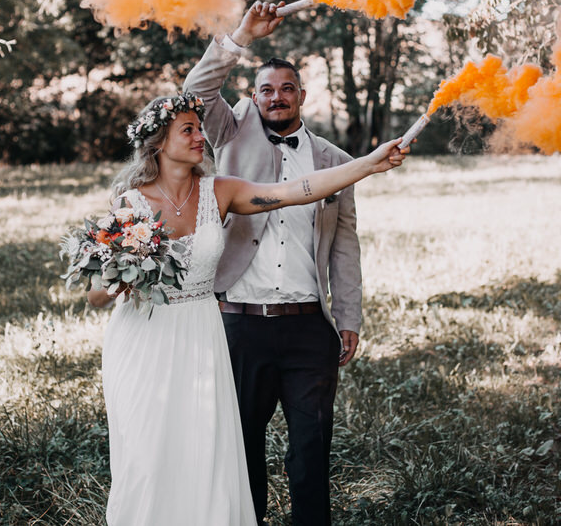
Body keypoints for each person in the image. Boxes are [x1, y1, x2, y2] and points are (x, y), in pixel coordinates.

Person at [87, 92, 407, 526]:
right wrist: (125, 267)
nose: (201, 136)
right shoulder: (130, 205)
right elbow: (96, 295)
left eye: (201, 128)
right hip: (145, 340)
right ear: (160, 141)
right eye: (189, 130)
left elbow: (297, 190)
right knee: (150, 450)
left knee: (206, 449)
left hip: (202, 333)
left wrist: (369, 163)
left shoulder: (221, 192)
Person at [183, 0, 365, 525]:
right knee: (242, 450)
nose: (277, 97)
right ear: (253, 96)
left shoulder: (333, 161)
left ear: (302, 96)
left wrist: (347, 316)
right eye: (266, 89)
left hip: (310, 325)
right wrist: (241, 36)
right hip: (240, 322)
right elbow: (193, 95)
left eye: (287, 88)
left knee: (312, 449)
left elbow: (346, 242)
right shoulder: (230, 131)